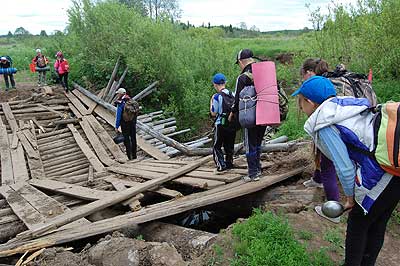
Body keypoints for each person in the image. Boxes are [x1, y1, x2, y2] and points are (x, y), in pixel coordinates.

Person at [292, 75, 400, 266]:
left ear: (309, 101)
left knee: (357, 224)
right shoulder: (344, 106)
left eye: (300, 102)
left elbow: (345, 168)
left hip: (379, 175)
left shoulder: (324, 123)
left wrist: (350, 198)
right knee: (377, 222)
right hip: (394, 168)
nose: (300, 108)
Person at [300, 58, 341, 223]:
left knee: (328, 164)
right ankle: (317, 179)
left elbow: (345, 168)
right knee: (322, 155)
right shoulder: (328, 84)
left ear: (308, 73)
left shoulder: (317, 89)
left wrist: (351, 198)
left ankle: (334, 208)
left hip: (332, 130)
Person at [229, 49, 266, 182]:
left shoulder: (243, 77)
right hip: (265, 113)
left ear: (241, 62)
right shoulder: (264, 72)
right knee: (258, 142)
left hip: (249, 116)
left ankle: (253, 173)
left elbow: (237, 98)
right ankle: (258, 169)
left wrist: (232, 113)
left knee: (250, 144)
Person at [210, 73, 236, 172]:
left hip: (220, 123)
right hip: (231, 123)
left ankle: (221, 165)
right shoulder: (233, 94)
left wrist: (211, 101)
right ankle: (229, 163)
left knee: (217, 146)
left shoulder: (217, 97)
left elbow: (213, 113)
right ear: (225, 82)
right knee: (229, 145)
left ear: (215, 84)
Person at [114, 88, 138, 160]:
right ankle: (134, 155)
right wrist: (134, 122)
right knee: (133, 139)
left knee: (126, 139)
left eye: (118, 93)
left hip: (125, 123)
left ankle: (129, 157)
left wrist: (116, 126)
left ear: (121, 94)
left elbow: (118, 116)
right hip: (132, 123)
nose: (117, 95)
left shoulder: (120, 103)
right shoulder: (131, 101)